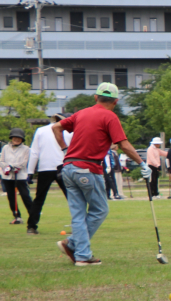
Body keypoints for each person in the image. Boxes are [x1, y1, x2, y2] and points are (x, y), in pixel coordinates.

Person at [48, 82, 148, 266]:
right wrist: (142, 163)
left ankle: (79, 252)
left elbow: (55, 127)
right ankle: (77, 249)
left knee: (78, 215)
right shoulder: (110, 117)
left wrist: (64, 149)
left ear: (96, 97)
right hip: (88, 169)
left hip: (68, 167)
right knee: (100, 210)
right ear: (116, 101)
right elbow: (124, 145)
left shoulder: (82, 113)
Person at [25, 115, 68, 235]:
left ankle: (31, 227)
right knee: (72, 198)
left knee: (39, 198)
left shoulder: (41, 131)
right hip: (63, 166)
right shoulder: (68, 131)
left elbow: (34, 152)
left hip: (45, 167)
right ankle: (79, 225)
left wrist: (30, 172)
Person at [2, 129, 33, 225]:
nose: (17, 140)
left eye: (19, 138)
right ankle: (17, 216)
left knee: (25, 195)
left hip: (20, 175)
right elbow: (2, 160)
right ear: (11, 138)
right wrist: (8, 167)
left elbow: (25, 161)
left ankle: (33, 214)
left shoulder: (26, 149)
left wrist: (15, 167)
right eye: (15, 138)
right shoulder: (5, 148)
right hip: (8, 176)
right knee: (11, 197)